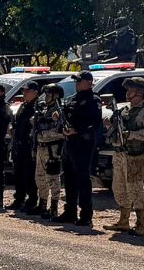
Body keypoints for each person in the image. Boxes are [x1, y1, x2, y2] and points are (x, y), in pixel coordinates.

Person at [106, 77, 144, 236]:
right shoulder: (124, 110)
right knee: (119, 187)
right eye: (128, 90)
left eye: (132, 90)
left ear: (141, 93)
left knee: (135, 189)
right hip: (121, 154)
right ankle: (124, 221)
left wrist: (131, 134)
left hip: (135, 156)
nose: (128, 93)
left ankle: (140, 225)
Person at [58, 71, 103, 225]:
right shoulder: (73, 99)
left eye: (79, 81)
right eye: (76, 81)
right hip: (70, 142)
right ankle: (70, 211)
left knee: (83, 179)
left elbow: (94, 123)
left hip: (83, 143)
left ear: (88, 83)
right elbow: (66, 117)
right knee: (69, 178)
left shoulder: (93, 100)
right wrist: (62, 126)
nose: (76, 83)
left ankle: (86, 214)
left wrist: (77, 129)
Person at [32, 84, 66, 218]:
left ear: (56, 96)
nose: (45, 97)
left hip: (52, 149)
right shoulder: (44, 110)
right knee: (40, 177)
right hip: (41, 147)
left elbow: (61, 131)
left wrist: (44, 134)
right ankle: (42, 203)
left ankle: (54, 207)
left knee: (52, 178)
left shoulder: (59, 112)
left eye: (48, 94)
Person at [9, 82, 40, 212]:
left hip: (29, 145)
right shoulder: (23, 105)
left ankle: (32, 200)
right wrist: (12, 128)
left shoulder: (38, 107)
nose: (24, 93)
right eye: (24, 91)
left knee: (29, 174)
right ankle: (19, 199)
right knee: (18, 173)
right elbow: (16, 122)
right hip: (19, 143)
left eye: (27, 91)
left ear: (35, 92)